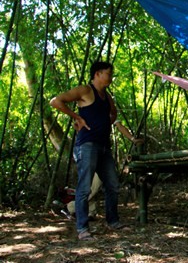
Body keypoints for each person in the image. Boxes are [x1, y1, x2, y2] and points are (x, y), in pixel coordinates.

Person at [50, 61, 142, 241]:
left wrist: (104, 123)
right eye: (108, 73)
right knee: (84, 188)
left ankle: (112, 221)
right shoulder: (85, 90)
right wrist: (77, 117)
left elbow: (113, 114)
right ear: (98, 74)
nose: (111, 77)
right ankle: (82, 228)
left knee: (113, 185)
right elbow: (55, 101)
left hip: (104, 146)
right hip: (87, 145)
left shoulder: (107, 96)